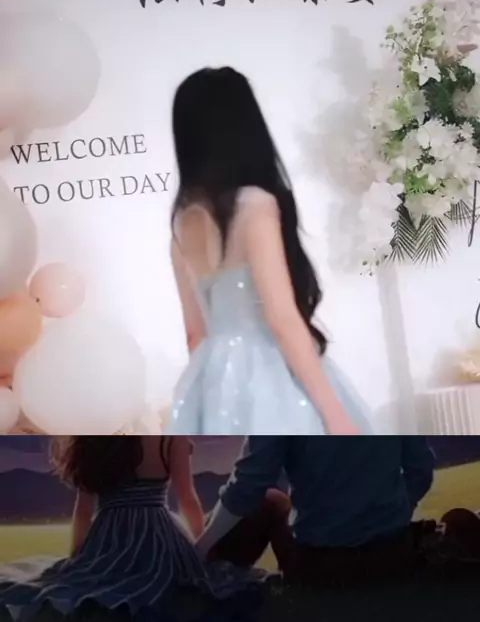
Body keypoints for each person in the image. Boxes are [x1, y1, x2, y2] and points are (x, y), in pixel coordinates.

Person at [166, 66, 372, 435]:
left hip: (212, 381)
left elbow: (195, 334)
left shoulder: (181, 224)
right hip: (272, 373)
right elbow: (281, 318)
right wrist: (336, 417)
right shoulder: (255, 205)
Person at [0, 436, 256, 619]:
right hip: (158, 536)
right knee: (177, 585)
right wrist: (202, 549)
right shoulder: (169, 437)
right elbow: (187, 497)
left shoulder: (96, 437)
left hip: (109, 536)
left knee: (90, 585)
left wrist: (77, 556)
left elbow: (84, 509)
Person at [195, 436, 436, 585]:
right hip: (394, 552)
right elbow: (421, 469)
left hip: (320, 563)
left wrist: (198, 552)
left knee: (271, 501)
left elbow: (246, 487)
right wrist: (394, 515)